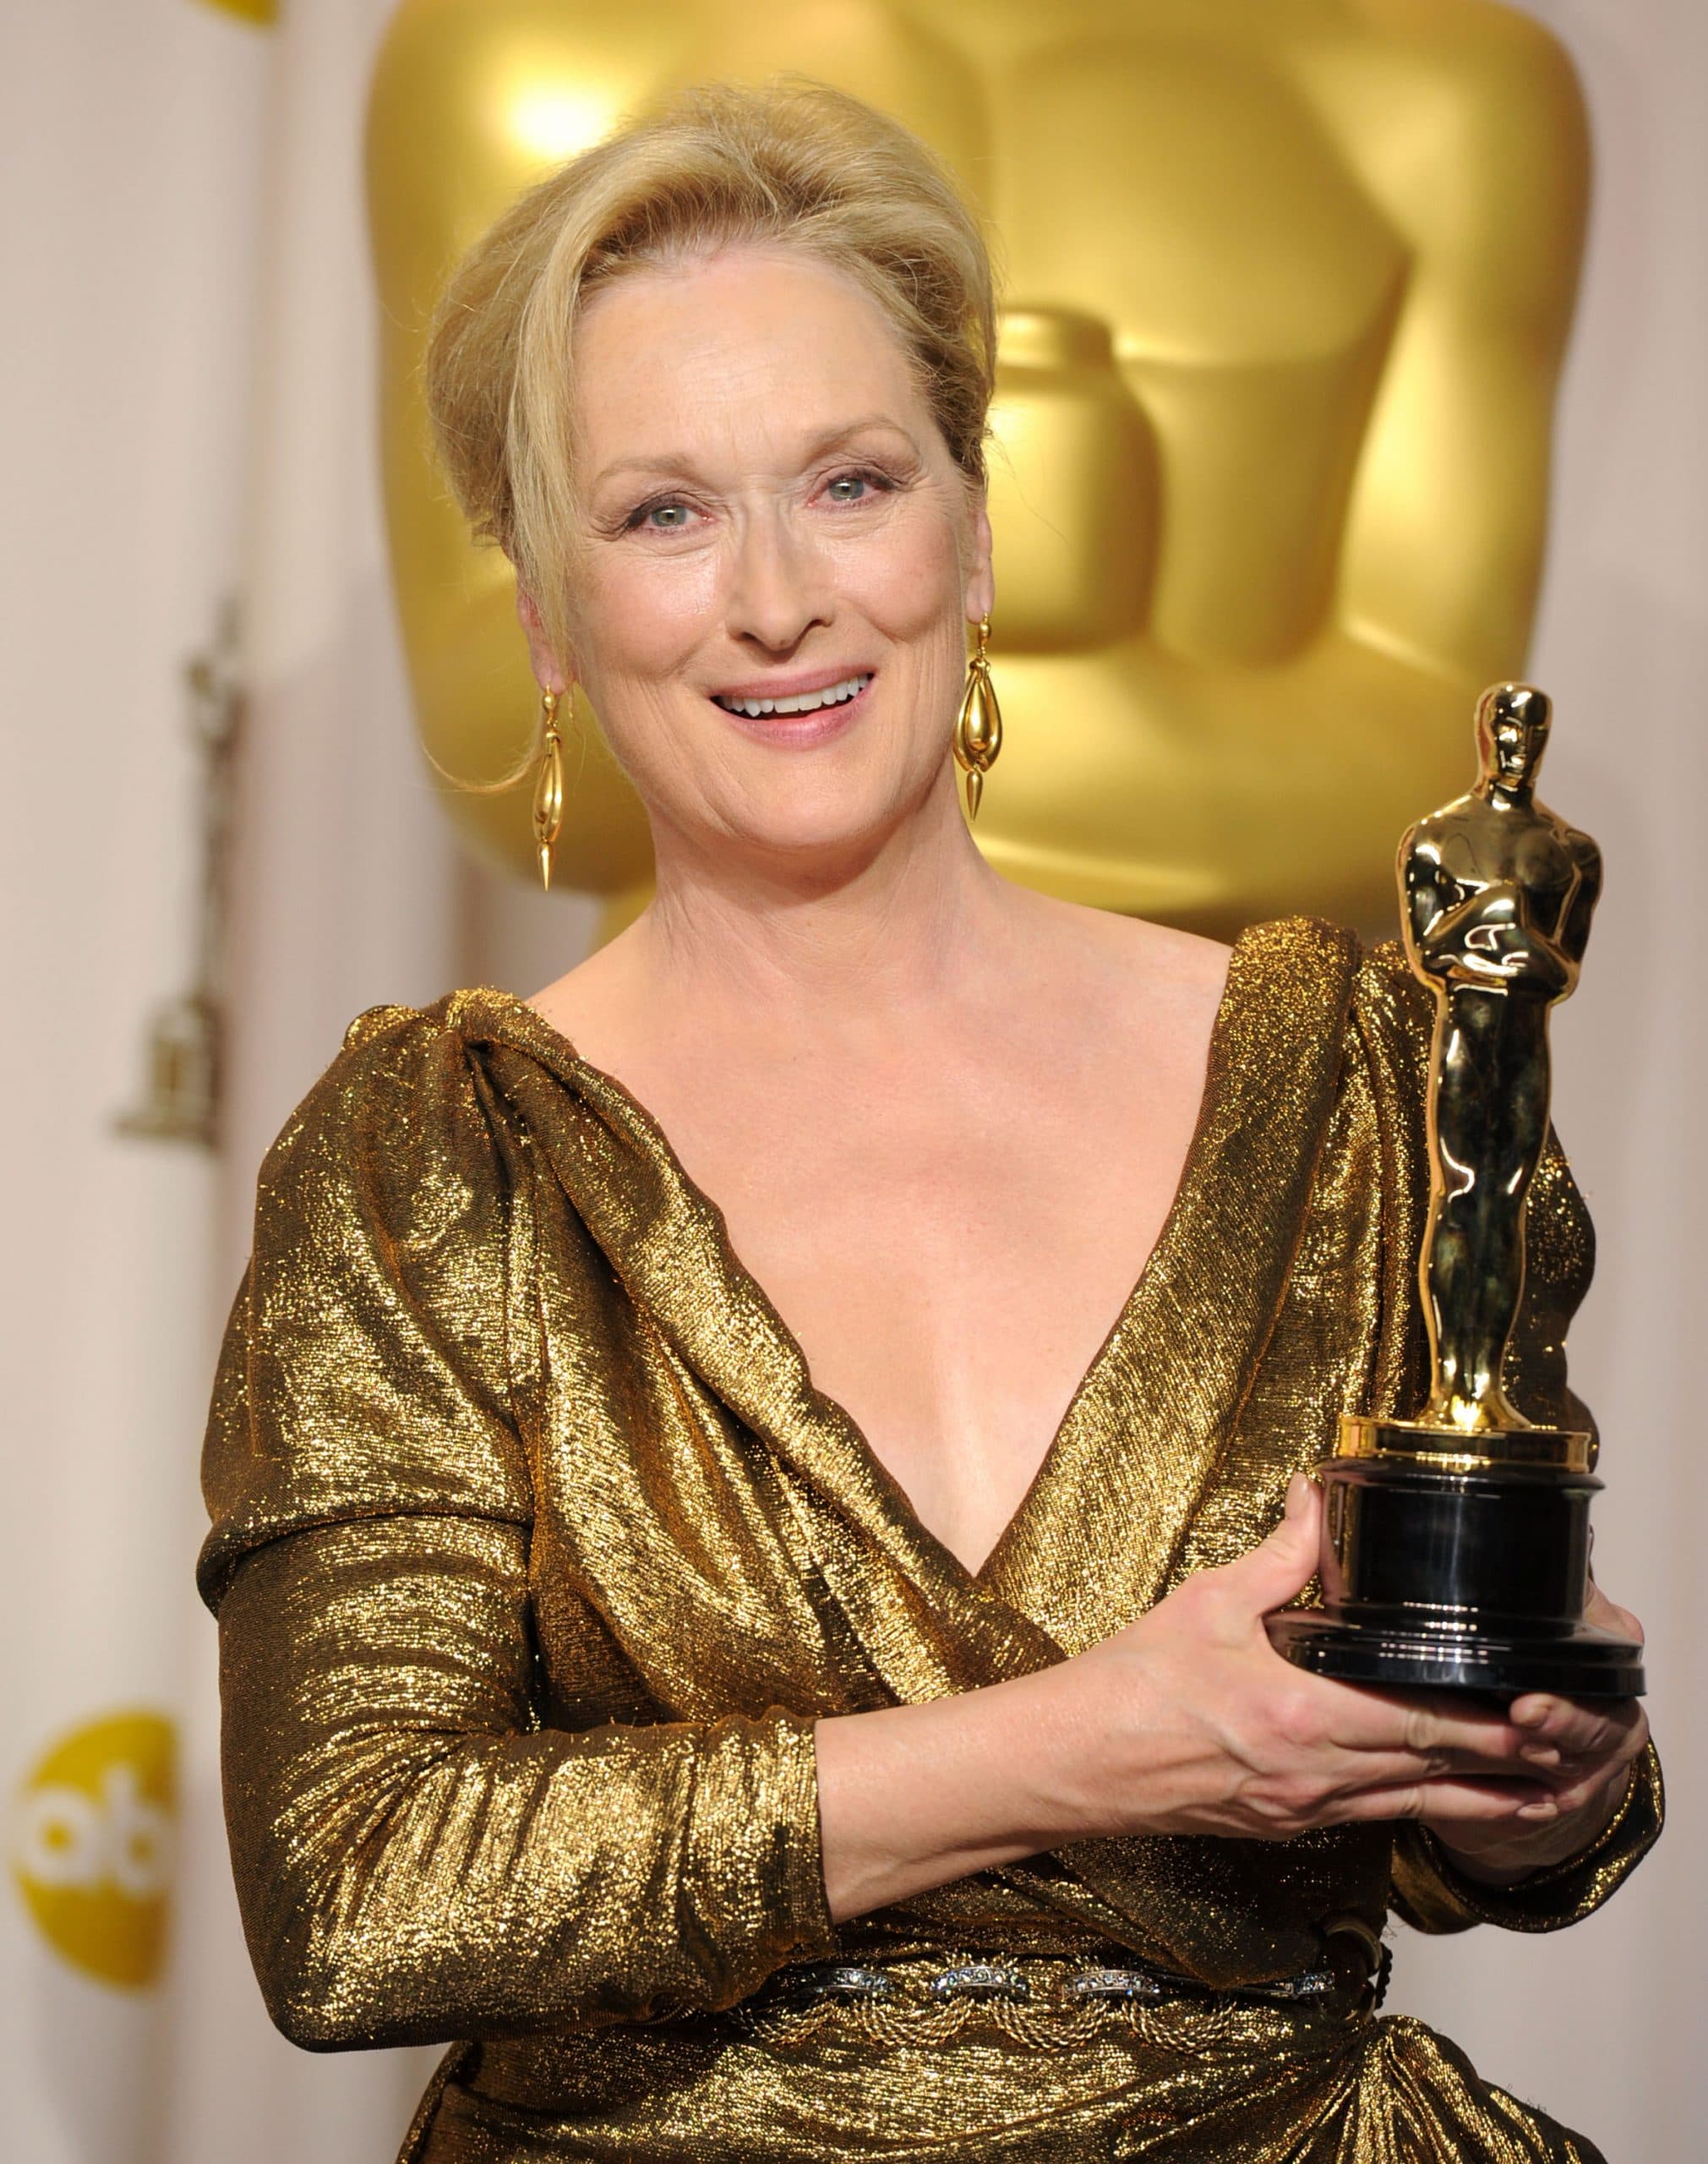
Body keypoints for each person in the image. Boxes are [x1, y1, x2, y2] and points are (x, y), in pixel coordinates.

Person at [199, 79, 1658, 2164]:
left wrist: (1547, 1779)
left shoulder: (1361, 1076)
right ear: (543, 608)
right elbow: (355, 1890)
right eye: (662, 513)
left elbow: (1471, 1825)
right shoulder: (438, 1160)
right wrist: (1091, 1743)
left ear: (976, 526)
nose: (779, 598)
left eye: (852, 481)